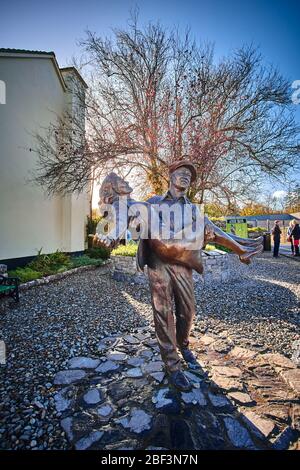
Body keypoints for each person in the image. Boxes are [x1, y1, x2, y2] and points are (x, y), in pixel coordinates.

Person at [95, 163, 263, 391]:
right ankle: (172, 365)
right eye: (180, 173)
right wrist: (112, 237)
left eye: (188, 175)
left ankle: (183, 344)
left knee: (188, 310)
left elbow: (209, 232)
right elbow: (128, 218)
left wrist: (231, 246)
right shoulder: (153, 202)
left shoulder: (194, 209)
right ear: (170, 176)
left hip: (182, 263)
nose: (184, 177)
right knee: (163, 311)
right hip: (158, 263)